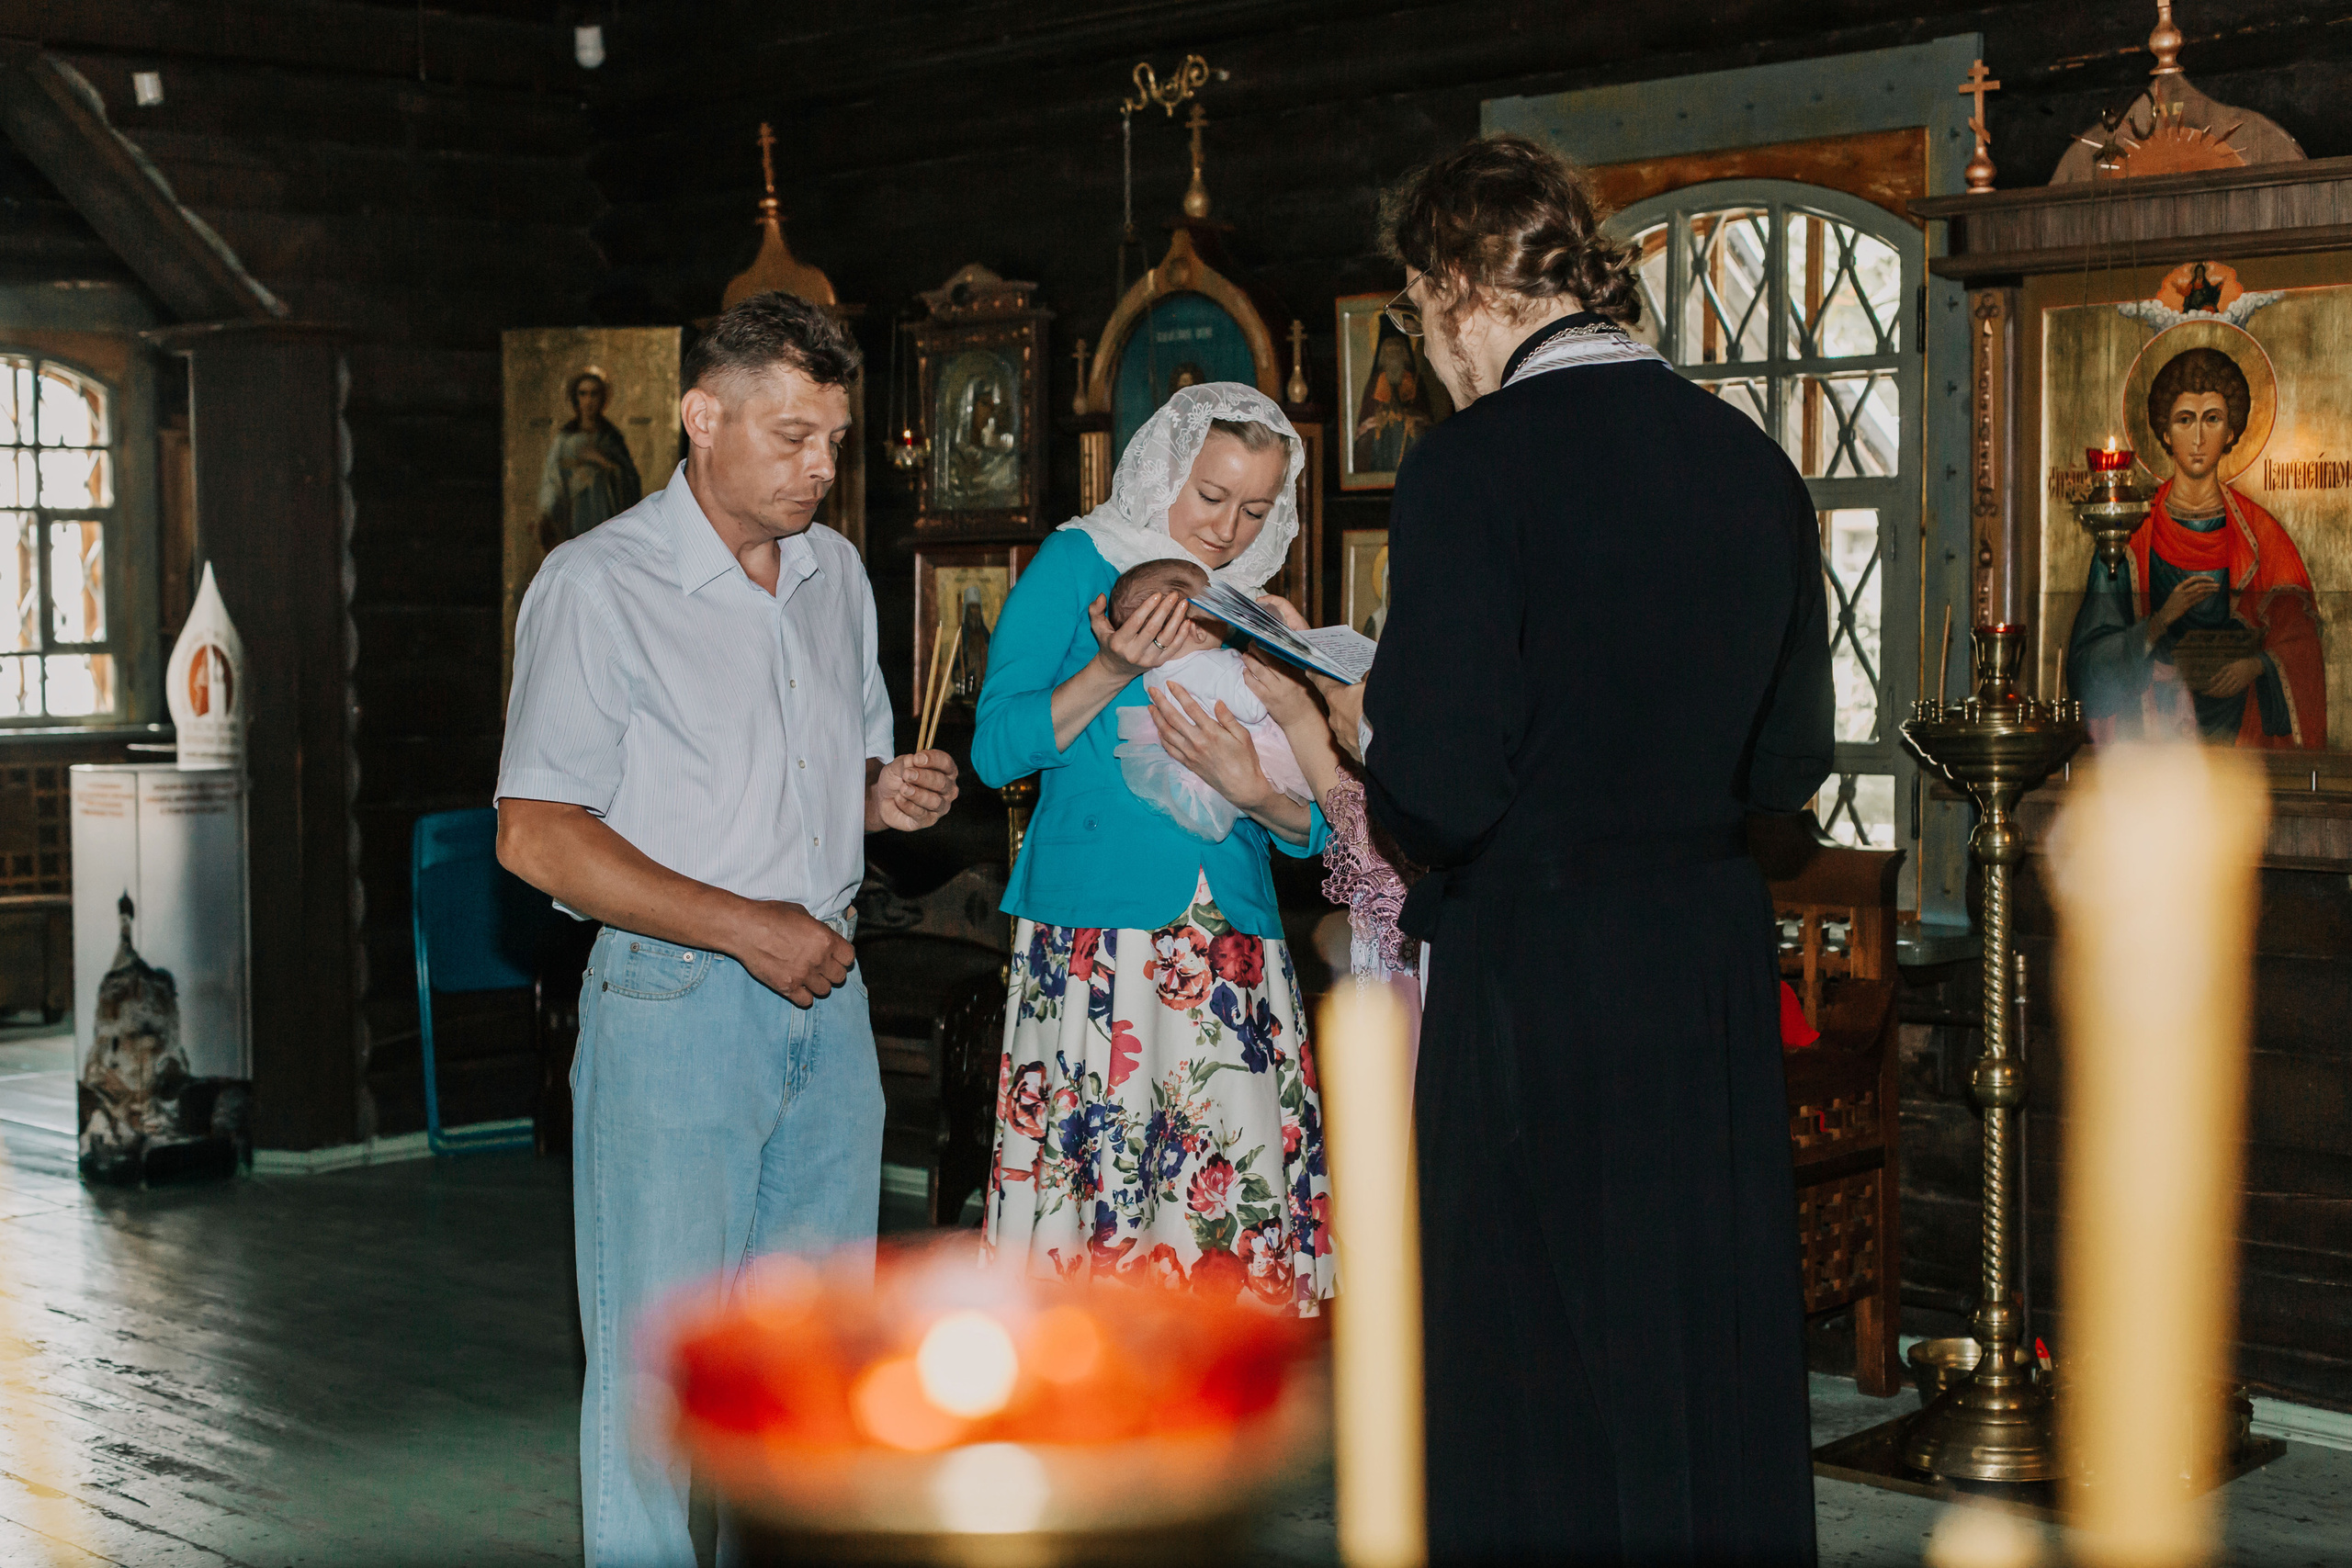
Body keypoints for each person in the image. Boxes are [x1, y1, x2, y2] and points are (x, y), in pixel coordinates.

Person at [1314, 134, 1835, 1562]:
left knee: (1527, 1363)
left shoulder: (1474, 469)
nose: (1430, 356)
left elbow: (1447, 792)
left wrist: (1375, 729)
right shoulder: (1752, 459)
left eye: (1422, 319)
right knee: (1696, 1344)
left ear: (1465, 285)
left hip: (1538, 967)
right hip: (1709, 958)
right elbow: (1791, 763)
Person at [494, 292, 959, 1566]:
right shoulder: (599, 584)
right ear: (702, 416)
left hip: (827, 990)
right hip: (674, 997)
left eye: (836, 438)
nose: (822, 465)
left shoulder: (836, 575)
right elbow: (537, 832)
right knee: (660, 1367)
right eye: (794, 433)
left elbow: (819, 779)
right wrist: (746, 925)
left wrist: (880, 796)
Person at [973, 382, 1340, 1316]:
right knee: (1099, 1213)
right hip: (1103, 936)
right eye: (1210, 495)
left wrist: (1257, 789)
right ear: (1162, 469)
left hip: (1233, 941)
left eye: (1255, 508)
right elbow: (995, 748)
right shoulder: (1077, 562)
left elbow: (1322, 829)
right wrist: (1111, 668)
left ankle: (1208, 1407)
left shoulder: (1254, 605)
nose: (1225, 529)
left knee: (1219, 1220)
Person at [2067, 344, 2324, 749]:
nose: (2200, 437)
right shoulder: (2128, 534)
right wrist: (2158, 623)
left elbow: (2302, 645)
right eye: (2186, 420)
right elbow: (2088, 666)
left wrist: (2256, 666)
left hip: (2241, 737)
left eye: (2213, 419)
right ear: (2165, 433)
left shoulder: (2261, 535)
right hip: (2150, 736)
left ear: (2233, 431)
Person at [1104, 558, 1313, 841]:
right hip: (1261, 765)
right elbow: (1252, 707)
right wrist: (1273, 651)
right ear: (1197, 628)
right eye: (1217, 608)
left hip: (1205, 784)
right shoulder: (1213, 665)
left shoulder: (1154, 674)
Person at [537, 368, 642, 552]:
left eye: (594, 394)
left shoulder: (612, 438)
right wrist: (547, 511)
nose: (589, 400)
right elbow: (551, 480)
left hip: (606, 519)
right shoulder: (565, 440)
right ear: (576, 398)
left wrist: (604, 462)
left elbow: (631, 480)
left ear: (603, 399)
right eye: (583, 394)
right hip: (575, 517)